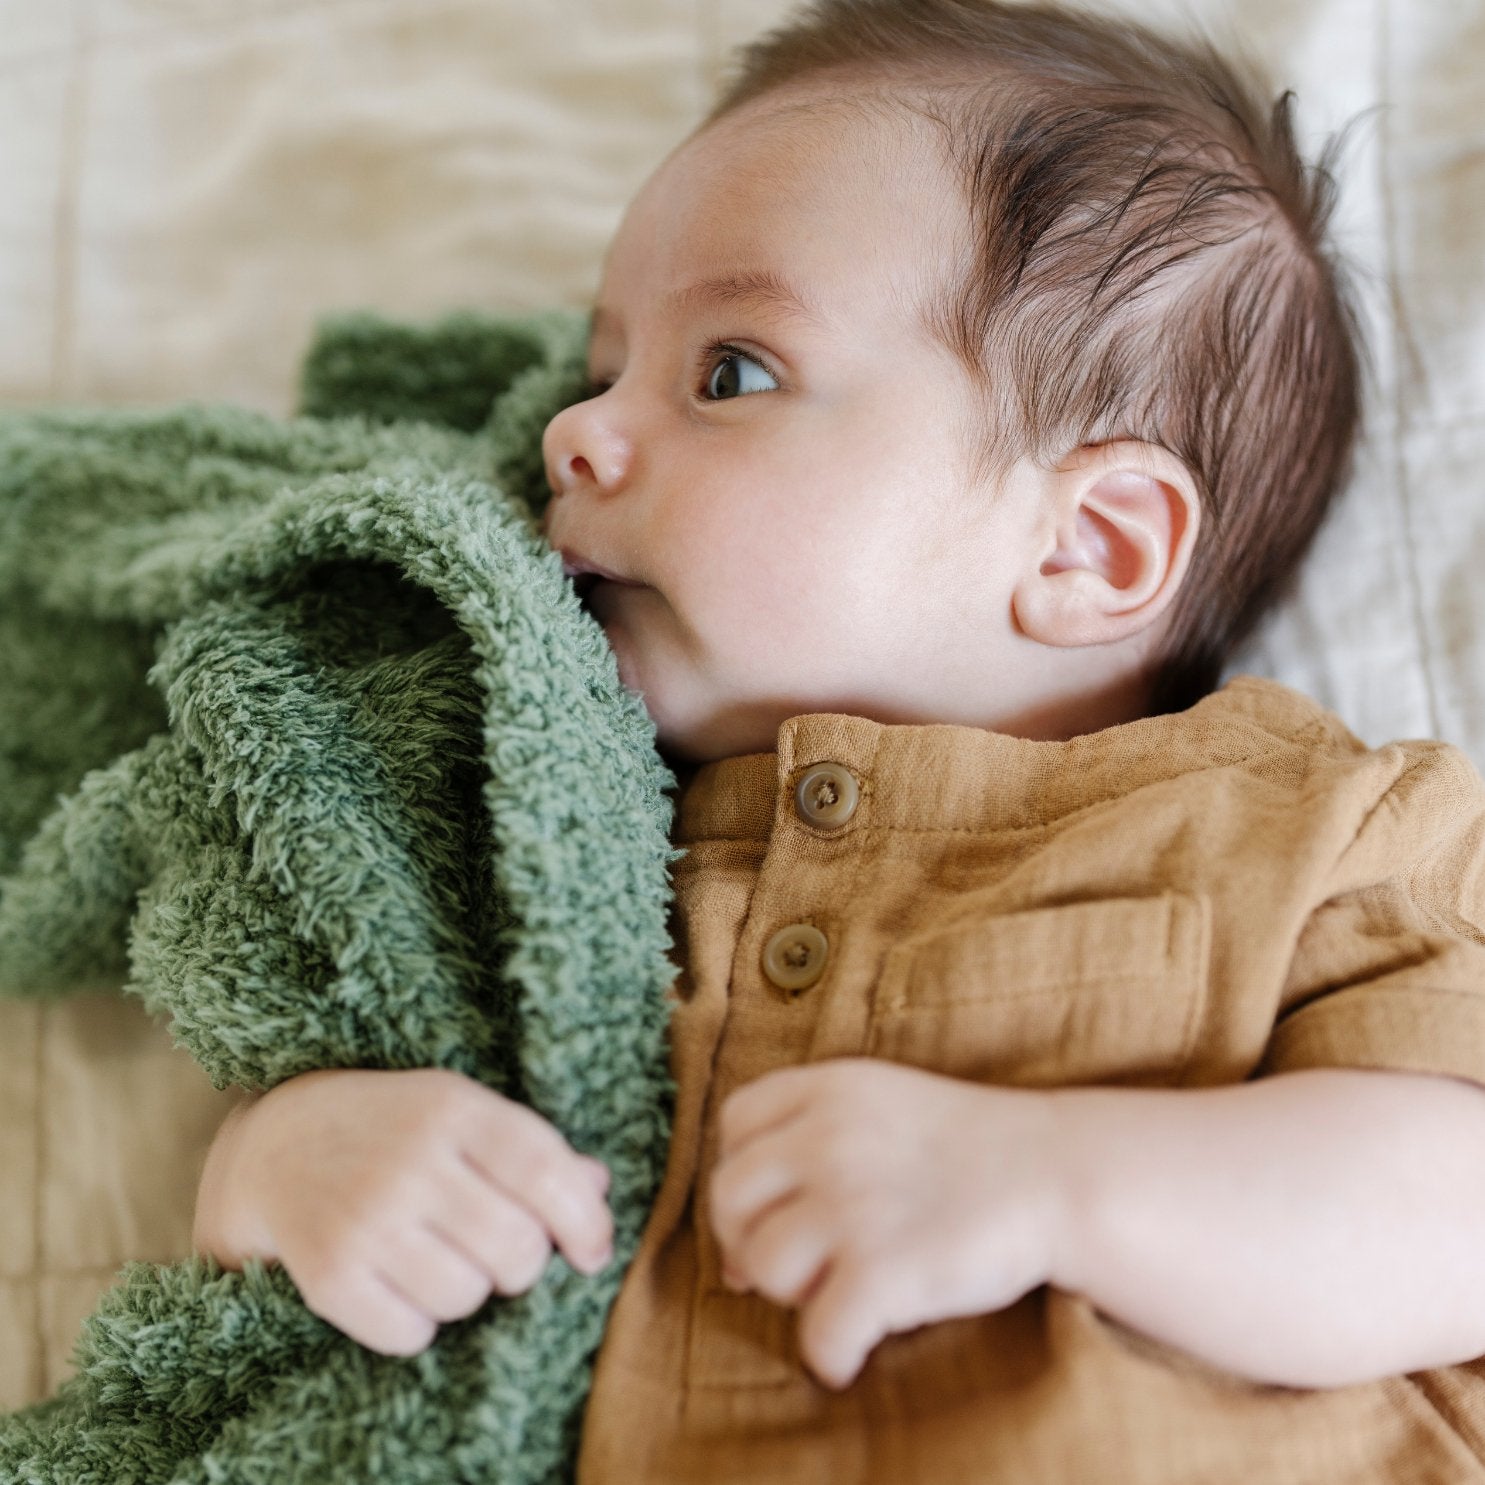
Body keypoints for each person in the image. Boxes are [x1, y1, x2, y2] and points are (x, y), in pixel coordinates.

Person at [192, 0, 1485, 1478]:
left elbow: (1458, 1215)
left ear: (1090, 546)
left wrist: (1052, 1182)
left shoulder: (1316, 826)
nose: (573, 436)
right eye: (593, 376)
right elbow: (324, 1049)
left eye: (727, 371)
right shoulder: (558, 839)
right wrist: (279, 1161)